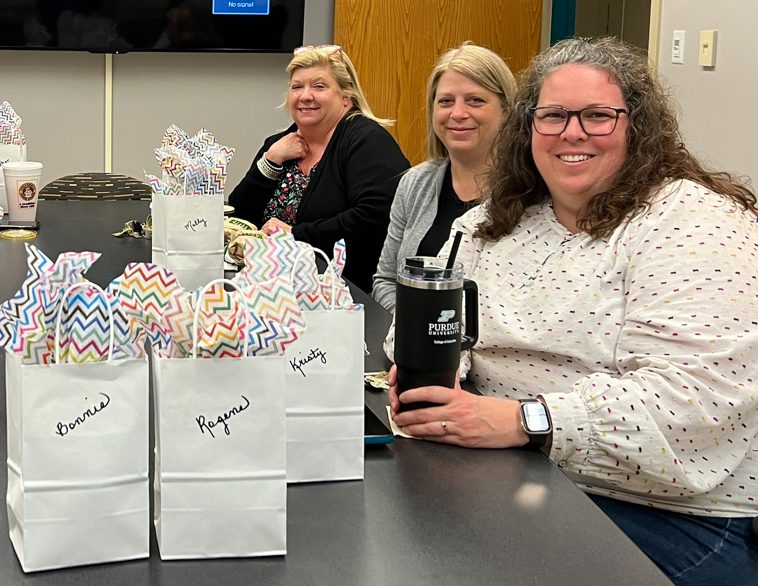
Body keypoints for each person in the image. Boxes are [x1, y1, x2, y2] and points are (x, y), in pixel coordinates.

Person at [387, 37, 758, 584]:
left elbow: (695, 399)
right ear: (527, 128)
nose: (572, 133)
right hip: (507, 471)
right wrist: (436, 372)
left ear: (639, 126)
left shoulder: (694, 223)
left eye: (598, 116)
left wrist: (525, 420)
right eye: (553, 115)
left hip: (665, 512)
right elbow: (418, 326)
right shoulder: (496, 222)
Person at [228, 45, 408, 292]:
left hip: (344, 295)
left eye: (319, 86)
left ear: (346, 96)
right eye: (297, 86)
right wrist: (269, 163)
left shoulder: (368, 141)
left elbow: (374, 218)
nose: (305, 96)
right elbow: (238, 218)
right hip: (269, 288)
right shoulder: (278, 144)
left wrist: (295, 234)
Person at [371, 44, 516, 311]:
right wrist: (414, 332)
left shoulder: (530, 193)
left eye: (475, 100)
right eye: (446, 101)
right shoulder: (414, 183)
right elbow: (386, 280)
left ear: (506, 110)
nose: (458, 113)